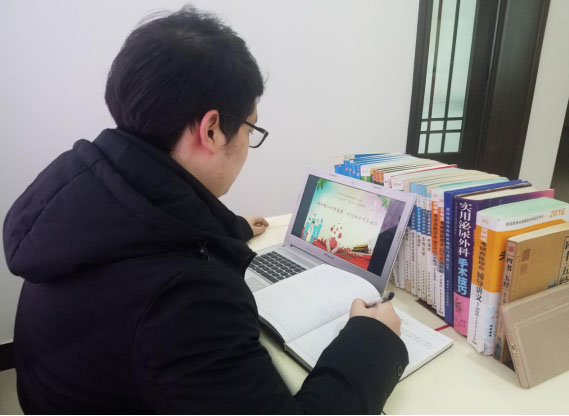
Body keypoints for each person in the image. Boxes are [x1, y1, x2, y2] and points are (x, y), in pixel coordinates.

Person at [3, 6, 408, 414]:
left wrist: (228, 228)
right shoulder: (186, 301)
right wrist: (373, 341)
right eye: (250, 128)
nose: (248, 143)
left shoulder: (84, 188)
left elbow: (151, 224)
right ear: (211, 130)